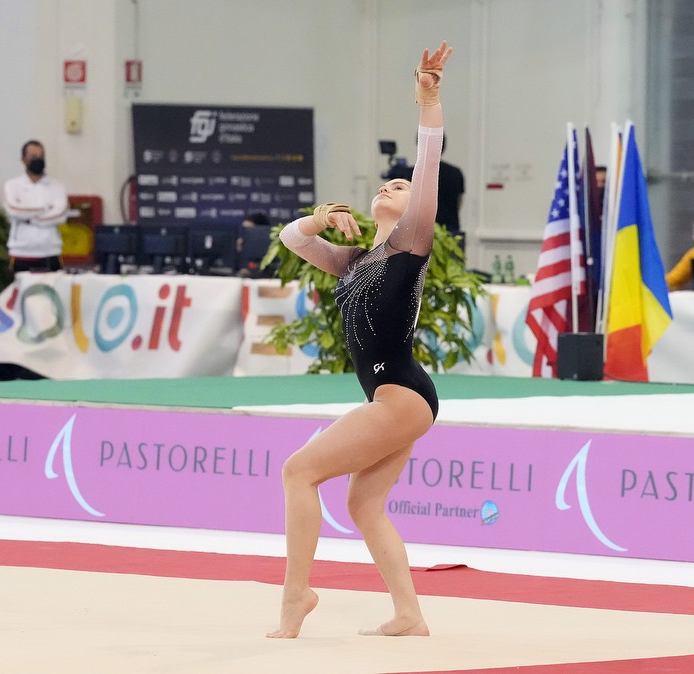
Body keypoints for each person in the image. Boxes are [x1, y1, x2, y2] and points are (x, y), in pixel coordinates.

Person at [267, 41, 452, 640]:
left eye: (401, 186)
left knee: (299, 471)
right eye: (387, 184)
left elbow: (428, 167)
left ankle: (296, 596)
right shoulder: (353, 262)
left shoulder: (410, 244)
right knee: (363, 504)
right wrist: (320, 219)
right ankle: (409, 614)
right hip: (401, 395)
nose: (393, 186)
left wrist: (428, 101)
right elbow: (293, 240)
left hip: (399, 393)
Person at [1, 140, 69, 272]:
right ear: (23, 160)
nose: (38, 159)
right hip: (20, 252)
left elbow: (60, 215)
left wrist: (28, 219)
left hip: (51, 252)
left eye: (41, 156)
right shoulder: (12, 185)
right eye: (33, 156)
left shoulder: (57, 186)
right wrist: (46, 208)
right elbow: (14, 210)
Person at [436, 136, 465, 242]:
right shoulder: (455, 173)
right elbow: (459, 200)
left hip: (420, 231)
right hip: (451, 229)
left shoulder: (412, 173)